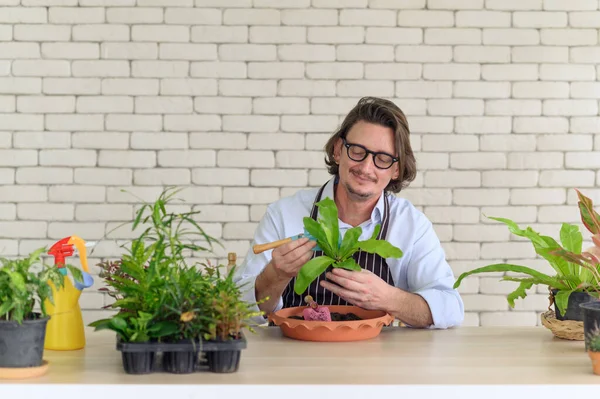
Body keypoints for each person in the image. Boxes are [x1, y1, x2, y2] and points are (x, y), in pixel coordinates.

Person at [233, 96, 464, 329]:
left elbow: (450, 307)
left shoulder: (410, 225)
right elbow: (235, 309)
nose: (365, 168)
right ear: (337, 150)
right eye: (357, 151)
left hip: (379, 361)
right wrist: (275, 276)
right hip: (294, 359)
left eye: (382, 159)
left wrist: (388, 298)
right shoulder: (284, 214)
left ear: (396, 169)